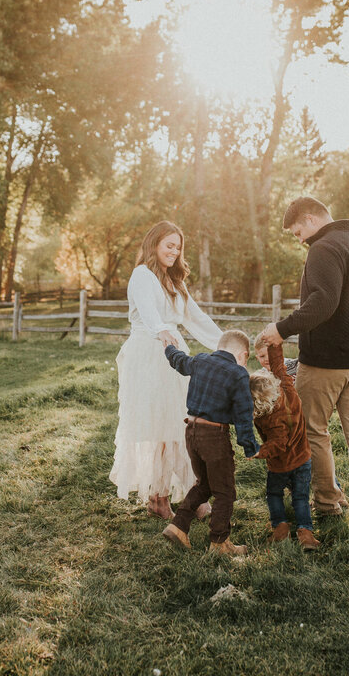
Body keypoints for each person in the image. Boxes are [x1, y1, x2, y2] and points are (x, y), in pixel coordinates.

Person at [259, 196, 349, 529]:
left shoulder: (323, 248)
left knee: (313, 431)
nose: (299, 240)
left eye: (297, 231)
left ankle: (328, 504)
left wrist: (280, 329)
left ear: (311, 219)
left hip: (327, 363)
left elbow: (323, 303)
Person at [110, 220, 225, 520]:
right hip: (150, 354)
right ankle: (159, 499)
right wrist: (162, 331)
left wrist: (226, 344)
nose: (174, 251)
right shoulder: (142, 275)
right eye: (168, 245)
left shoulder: (175, 281)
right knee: (161, 426)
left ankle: (192, 494)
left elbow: (195, 318)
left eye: (177, 247)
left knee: (182, 425)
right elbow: (149, 314)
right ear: (154, 245)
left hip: (175, 355)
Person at [159, 329, 260, 555]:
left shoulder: (201, 360)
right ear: (243, 354)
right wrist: (249, 446)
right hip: (214, 436)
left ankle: (178, 526)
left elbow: (178, 361)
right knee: (225, 491)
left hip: (191, 431)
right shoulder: (238, 373)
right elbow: (244, 414)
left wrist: (169, 347)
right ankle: (219, 542)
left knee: (204, 483)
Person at [249, 336, 319, 550]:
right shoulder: (288, 389)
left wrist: (258, 452)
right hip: (303, 459)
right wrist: (274, 342)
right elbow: (279, 367)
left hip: (280, 466)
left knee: (274, 494)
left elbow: (278, 443)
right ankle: (305, 532)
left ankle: (280, 527)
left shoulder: (264, 416)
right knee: (300, 497)